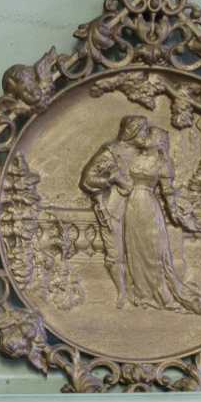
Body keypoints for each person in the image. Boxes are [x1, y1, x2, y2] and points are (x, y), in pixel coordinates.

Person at [120, 126, 201, 314]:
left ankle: (163, 295)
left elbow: (169, 194)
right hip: (131, 206)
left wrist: (183, 219)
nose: (145, 136)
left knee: (154, 252)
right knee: (136, 251)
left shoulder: (164, 163)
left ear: (159, 141)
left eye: (150, 134)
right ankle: (144, 295)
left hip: (148, 206)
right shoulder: (134, 158)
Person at [80, 115, 146, 309]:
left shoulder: (147, 153)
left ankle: (140, 291)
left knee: (140, 252)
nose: (145, 135)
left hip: (142, 209)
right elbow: (87, 180)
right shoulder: (111, 152)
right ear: (132, 131)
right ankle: (122, 293)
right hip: (114, 208)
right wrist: (111, 179)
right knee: (115, 253)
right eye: (142, 130)